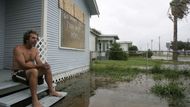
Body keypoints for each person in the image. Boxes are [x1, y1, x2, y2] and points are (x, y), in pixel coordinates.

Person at [12, 30, 61, 107]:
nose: (36, 40)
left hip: (29, 72)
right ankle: (34, 100)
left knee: (47, 69)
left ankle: (51, 91)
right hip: (18, 74)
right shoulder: (18, 49)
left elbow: (39, 62)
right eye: (33, 38)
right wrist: (39, 66)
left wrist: (44, 65)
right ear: (27, 39)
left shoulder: (35, 50)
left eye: (36, 38)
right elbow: (23, 65)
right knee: (34, 71)